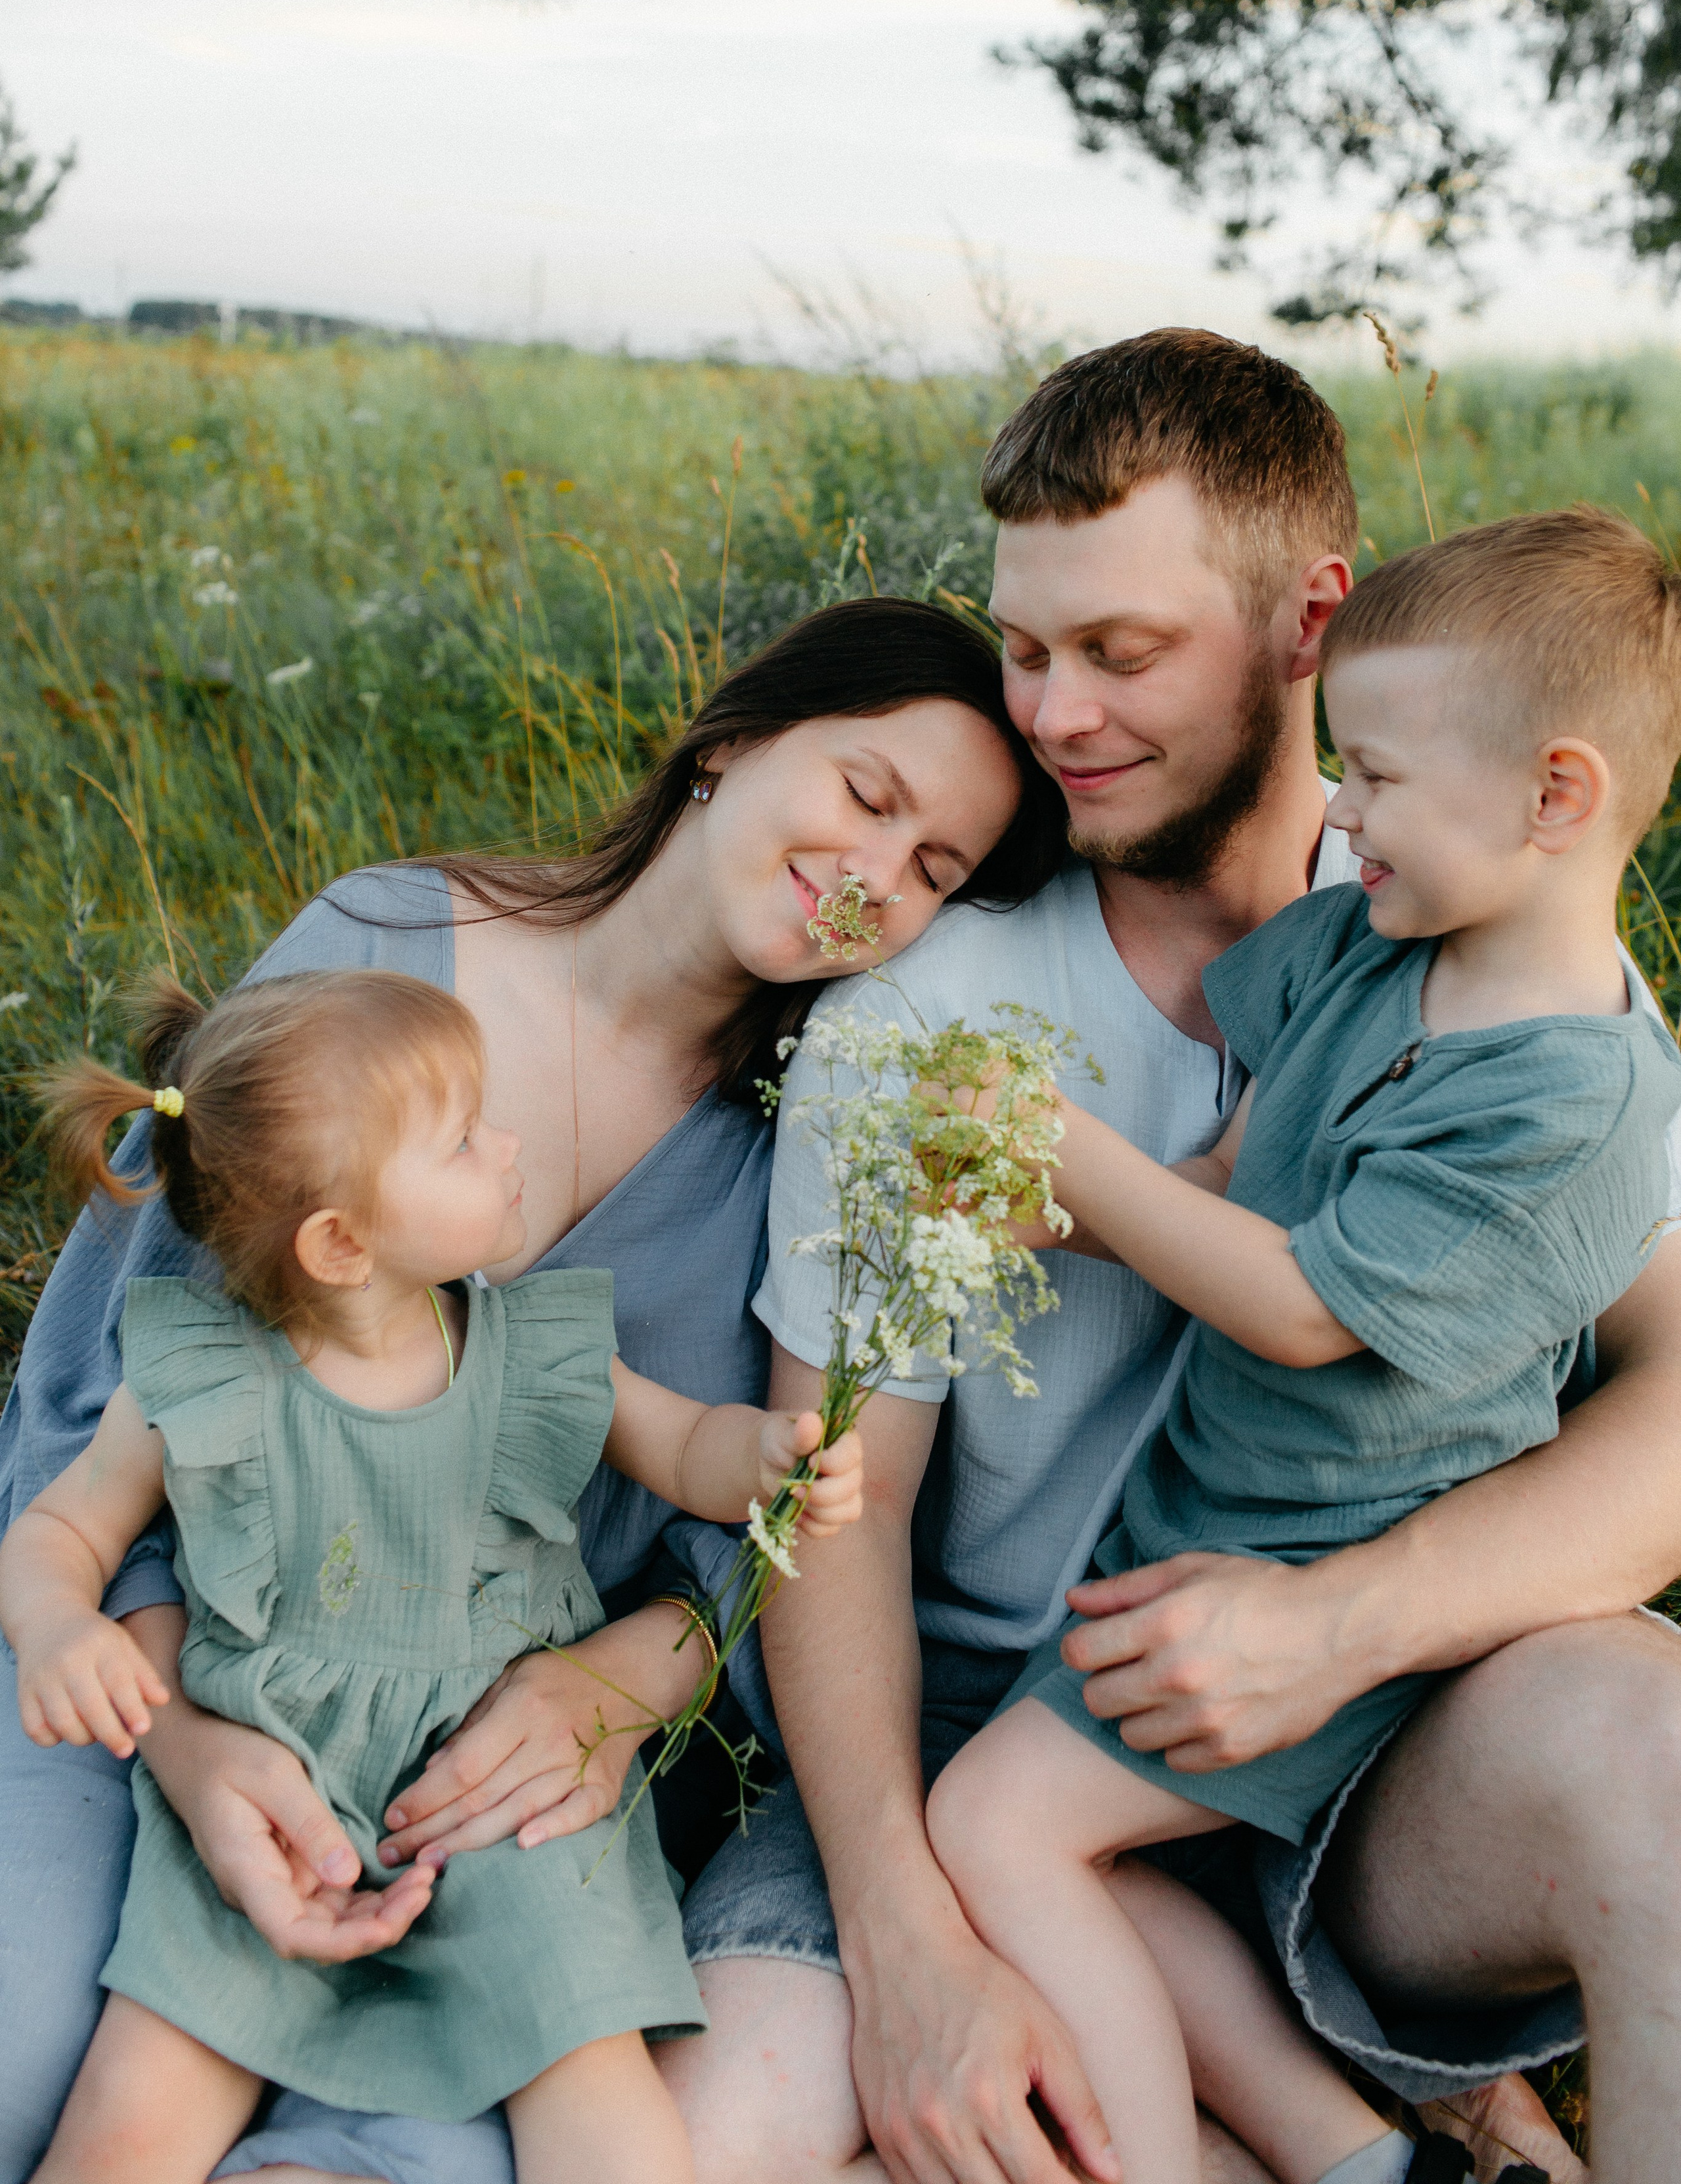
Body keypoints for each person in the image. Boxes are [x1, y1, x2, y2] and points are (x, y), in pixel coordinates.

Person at [665, 333, 1681, 2184]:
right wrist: (904, 1947)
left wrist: (1339, 1627)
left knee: (1655, 1756)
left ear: (1313, 620)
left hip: (1372, 1744)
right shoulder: (930, 1011)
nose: (1054, 717)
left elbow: (1679, 1413)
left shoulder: (1498, 951)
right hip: (982, 1746)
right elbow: (841, 1501)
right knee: (733, 2139)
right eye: (1028, 650)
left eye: (1122, 654)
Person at [0, 596, 1067, 2184]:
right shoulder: (381, 947)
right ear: (730, 743)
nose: (873, 880)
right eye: (865, 795)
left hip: (483, 1775)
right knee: (28, 2071)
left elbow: (744, 1537)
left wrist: (609, 1689)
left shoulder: (801, 1132)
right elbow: (105, 1396)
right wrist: (191, 1749)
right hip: (161, 1686)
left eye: (933, 874)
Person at [925, 509, 1681, 2184]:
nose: (1337, 812)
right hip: (1197, 1539)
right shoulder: (1364, 947)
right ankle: (1359, 2159)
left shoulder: (1571, 1098)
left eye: (1379, 776)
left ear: (1556, 798)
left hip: (1335, 1587)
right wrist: (1036, 1207)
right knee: (1093, 1865)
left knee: (991, 1827)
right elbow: (1224, 1183)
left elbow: (1290, 1300)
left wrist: (1071, 1154)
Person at [3, 965, 867, 2183]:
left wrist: (771, 1456)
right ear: (342, 1243)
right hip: (273, 1799)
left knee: (599, 2090)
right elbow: (61, 1531)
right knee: (134, 2116)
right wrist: (52, 1626)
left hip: (503, 1793)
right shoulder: (199, 1382)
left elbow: (683, 1446)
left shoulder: (529, 1350)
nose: (508, 1145)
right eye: (463, 1140)